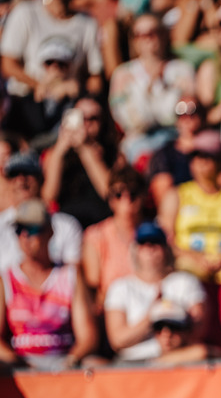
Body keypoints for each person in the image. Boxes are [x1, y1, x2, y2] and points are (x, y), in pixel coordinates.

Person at [0, 199, 96, 370]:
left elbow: (87, 336)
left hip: (62, 361)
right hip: (20, 365)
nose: (24, 236)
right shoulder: (5, 279)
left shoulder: (69, 276)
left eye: (32, 229)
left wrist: (70, 362)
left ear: (50, 232)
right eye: (19, 230)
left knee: (95, 365)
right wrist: (23, 367)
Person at [104, 222, 208, 363]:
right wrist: (153, 315)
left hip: (178, 358)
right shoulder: (120, 287)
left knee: (201, 352)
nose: (150, 248)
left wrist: (171, 323)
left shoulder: (185, 281)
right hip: (132, 362)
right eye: (143, 243)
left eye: (155, 243)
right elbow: (117, 340)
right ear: (135, 250)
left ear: (166, 248)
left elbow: (198, 329)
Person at [158, 129, 221, 284]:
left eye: (208, 157)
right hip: (189, 262)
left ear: (220, 161)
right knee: (182, 277)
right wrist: (196, 258)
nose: (201, 162)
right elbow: (167, 238)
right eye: (196, 157)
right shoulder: (176, 194)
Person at [108, 13, 195, 165]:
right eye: (140, 35)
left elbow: (188, 115)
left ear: (163, 34)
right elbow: (127, 120)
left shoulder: (182, 70)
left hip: (175, 140)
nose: (147, 38)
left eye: (152, 32)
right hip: (138, 143)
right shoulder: (122, 74)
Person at [40, 95, 120, 229]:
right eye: (81, 117)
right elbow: (49, 196)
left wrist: (84, 148)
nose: (86, 123)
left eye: (93, 118)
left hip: (100, 222)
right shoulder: (55, 153)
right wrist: (61, 147)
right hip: (65, 224)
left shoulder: (113, 152)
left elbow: (109, 192)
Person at [0, 151, 82, 274]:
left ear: (40, 178)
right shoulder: (1, 226)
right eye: (14, 175)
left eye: (28, 173)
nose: (21, 180)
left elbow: (74, 278)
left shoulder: (66, 225)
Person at [80, 165, 149, 309]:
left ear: (143, 195)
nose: (126, 198)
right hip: (113, 311)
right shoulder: (96, 236)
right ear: (110, 199)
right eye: (118, 194)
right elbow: (94, 290)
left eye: (133, 192)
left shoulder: (156, 231)